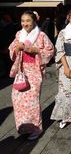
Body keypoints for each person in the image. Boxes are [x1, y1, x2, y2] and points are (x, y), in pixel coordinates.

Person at [8, 11, 54, 140]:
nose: (25, 24)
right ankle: (23, 128)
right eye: (23, 21)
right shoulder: (19, 34)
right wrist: (16, 49)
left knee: (32, 101)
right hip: (21, 71)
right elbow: (11, 49)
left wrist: (35, 50)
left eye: (28, 21)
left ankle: (36, 129)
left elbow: (50, 51)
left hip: (34, 71)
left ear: (34, 21)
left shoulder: (41, 35)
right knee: (17, 99)